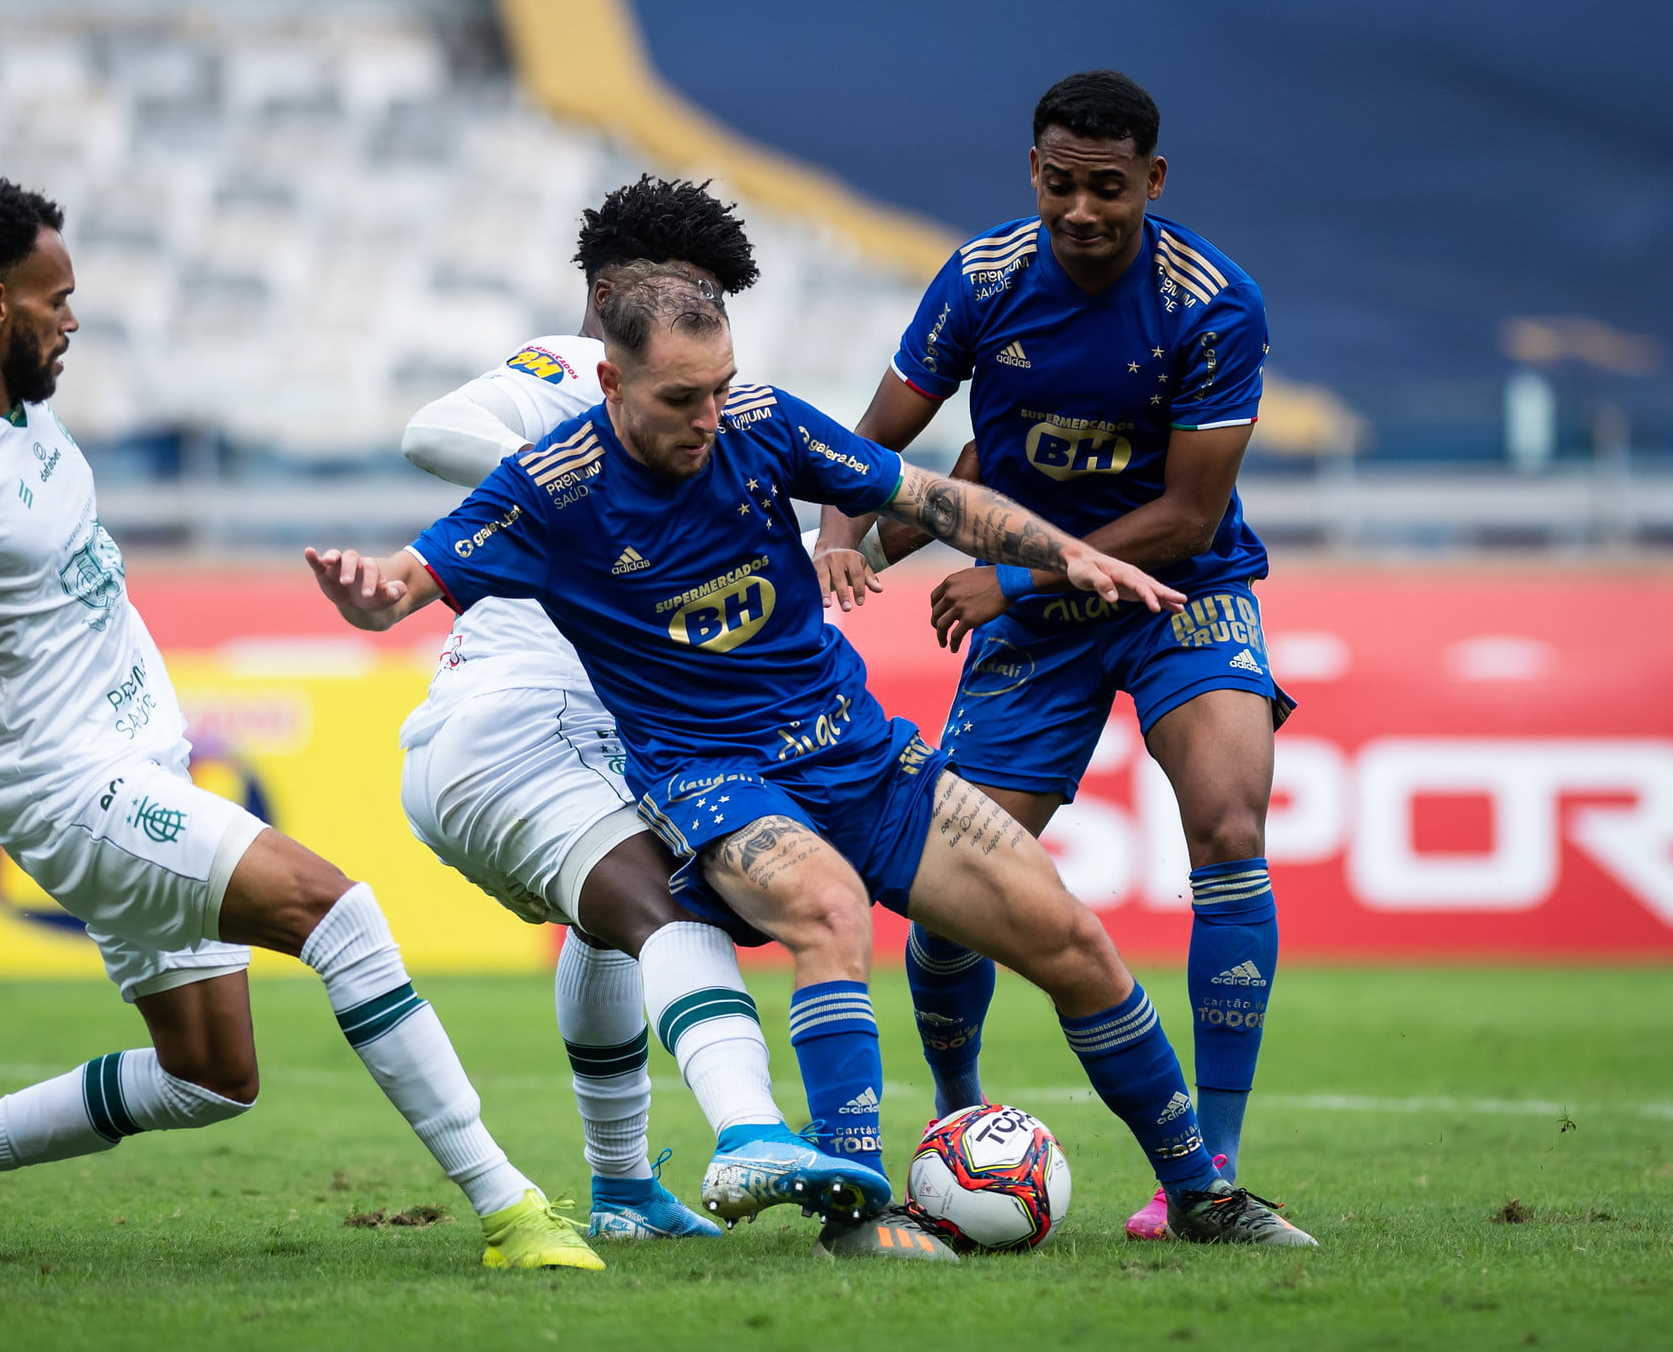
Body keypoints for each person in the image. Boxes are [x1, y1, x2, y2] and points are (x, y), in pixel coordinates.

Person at [307, 268, 1316, 1255]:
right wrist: (371, 594)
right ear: (611, 385)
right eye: (679, 397)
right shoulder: (549, 487)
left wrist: (1065, 553)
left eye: (718, 385)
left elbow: (924, 493)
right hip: (716, 777)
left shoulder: (758, 418)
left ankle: (1199, 1193)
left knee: (1069, 938)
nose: (709, 416)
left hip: (861, 754)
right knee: (828, 910)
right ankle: (856, 1211)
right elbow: (411, 575)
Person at [0, 178, 598, 1270]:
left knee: (211, 1076)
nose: (72, 317)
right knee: (336, 913)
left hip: (132, 764)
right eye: (54, 298)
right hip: (74, 792)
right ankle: (512, 1210)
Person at [814, 70, 1292, 1242]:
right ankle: (957, 1122)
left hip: (1177, 592)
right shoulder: (979, 281)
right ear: (1033, 172)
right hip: (1035, 628)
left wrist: (1011, 572)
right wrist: (837, 534)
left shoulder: (1211, 303)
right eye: (1061, 184)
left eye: (1109, 189)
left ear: (1152, 182)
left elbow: (1184, 516)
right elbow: (874, 443)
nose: (1081, 210)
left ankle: (1209, 1170)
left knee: (1228, 825)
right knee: (954, 893)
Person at [397, 176, 886, 1239]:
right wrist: (585, 486)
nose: (700, 331)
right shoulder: (565, 378)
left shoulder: (694, 434)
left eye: (715, 306)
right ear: (613, 295)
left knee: (619, 923)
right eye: (685, 295)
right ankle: (750, 1132)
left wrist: (862, 542)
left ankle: (622, 1190)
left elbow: (733, 562)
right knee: (662, 911)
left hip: (571, 739)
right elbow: (431, 432)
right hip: (518, 724)